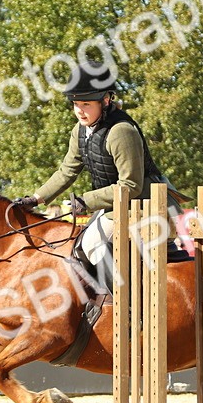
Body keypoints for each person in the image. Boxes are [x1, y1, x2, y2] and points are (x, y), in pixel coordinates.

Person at [11, 62, 187, 270]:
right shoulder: (81, 131)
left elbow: (131, 185)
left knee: (92, 243)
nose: (79, 111)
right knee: (76, 244)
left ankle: (125, 301)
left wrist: (86, 201)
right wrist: (35, 198)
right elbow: (67, 171)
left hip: (146, 207)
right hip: (118, 208)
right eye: (76, 104)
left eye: (86, 105)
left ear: (105, 100)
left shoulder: (121, 131)